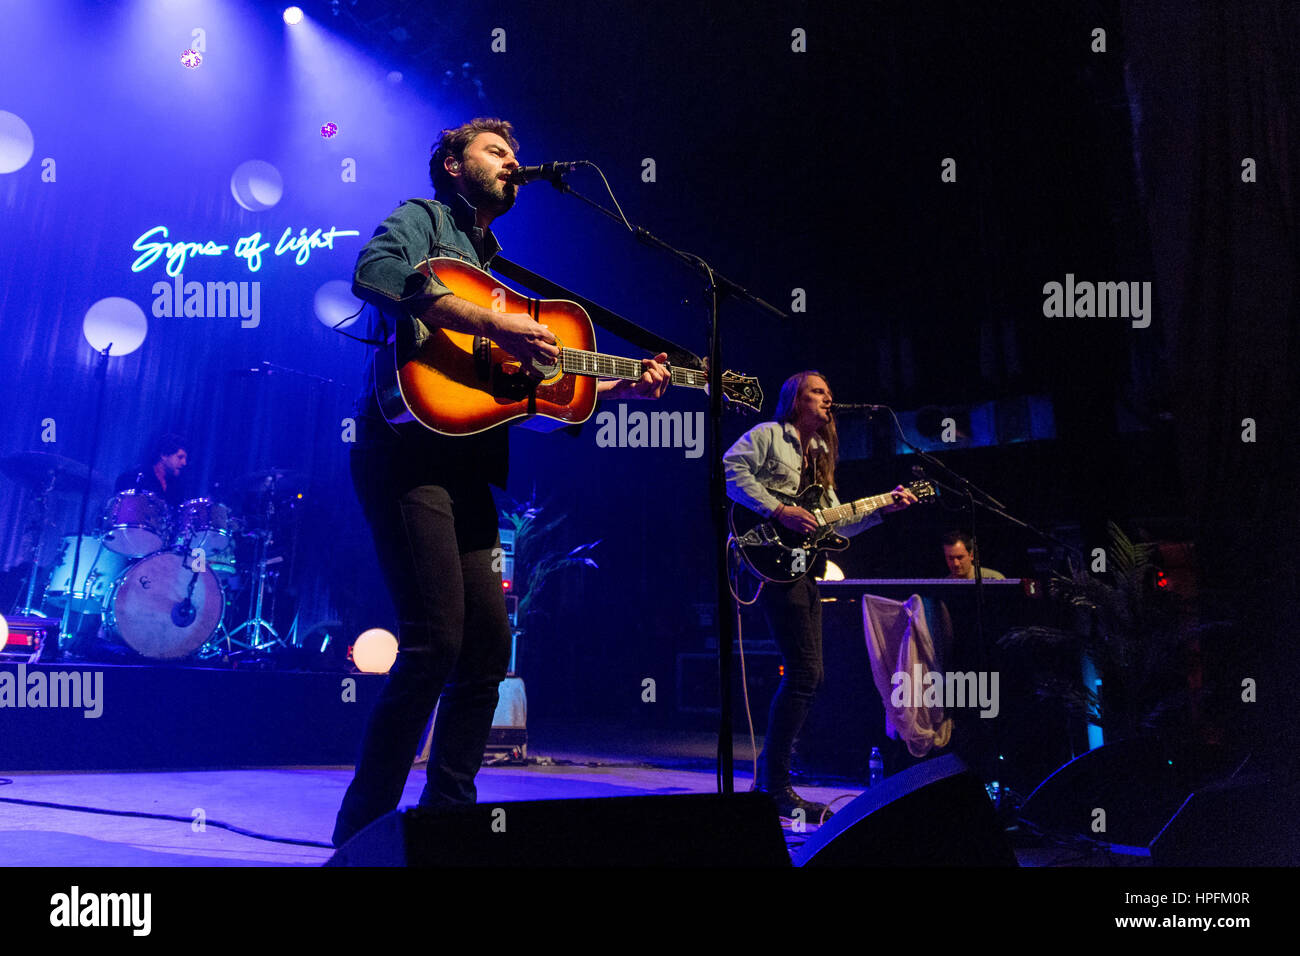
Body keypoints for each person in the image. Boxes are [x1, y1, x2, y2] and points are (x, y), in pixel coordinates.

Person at [332, 118, 670, 847]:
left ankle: (448, 818)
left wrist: (624, 392)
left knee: (487, 646)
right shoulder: (423, 219)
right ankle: (362, 833)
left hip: (469, 469)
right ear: (453, 166)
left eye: (516, 156)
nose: (514, 163)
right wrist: (495, 324)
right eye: (496, 152)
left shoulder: (500, 267)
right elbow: (375, 274)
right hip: (406, 453)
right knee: (433, 643)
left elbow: (533, 395)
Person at [724, 370, 918, 818]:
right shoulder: (768, 435)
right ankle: (773, 786)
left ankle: (769, 780)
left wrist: (884, 509)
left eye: (830, 392)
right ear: (795, 399)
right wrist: (779, 509)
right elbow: (730, 470)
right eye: (818, 392)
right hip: (771, 560)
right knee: (804, 672)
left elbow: (835, 522)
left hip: (805, 567)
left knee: (809, 674)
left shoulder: (819, 453)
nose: (828, 398)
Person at [114, 433, 189, 508]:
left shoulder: (177, 486)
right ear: (164, 455)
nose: (184, 463)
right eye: (180, 457)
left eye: (185, 459)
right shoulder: (133, 478)